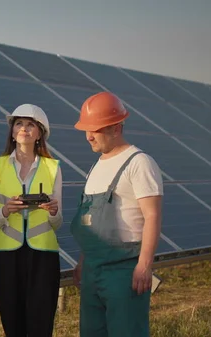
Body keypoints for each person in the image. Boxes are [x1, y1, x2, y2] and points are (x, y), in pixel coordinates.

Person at [70, 91, 163, 337]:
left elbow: (152, 216)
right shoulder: (96, 166)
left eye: (95, 129)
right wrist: (82, 261)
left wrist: (144, 265)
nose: (88, 136)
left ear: (115, 128)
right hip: (92, 269)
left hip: (124, 271)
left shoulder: (139, 163)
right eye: (86, 130)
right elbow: (89, 219)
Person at [0, 104, 63, 337]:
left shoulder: (53, 167)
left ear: (40, 133)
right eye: (19, 123)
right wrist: (6, 211)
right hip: (7, 258)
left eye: (31, 125)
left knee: (41, 328)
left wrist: (52, 211)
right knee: (13, 326)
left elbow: (57, 223)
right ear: (12, 130)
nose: (24, 129)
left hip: (43, 259)